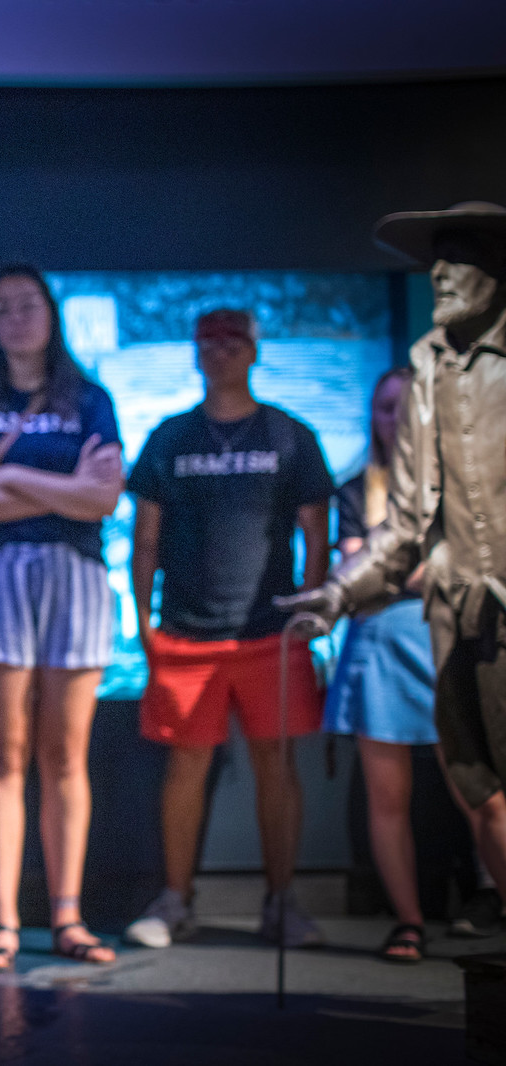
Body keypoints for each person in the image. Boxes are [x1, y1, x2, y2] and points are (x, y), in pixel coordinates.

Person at [279, 200, 506, 942]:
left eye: (459, 257)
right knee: (489, 800)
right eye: (433, 261)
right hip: (460, 625)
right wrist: (338, 595)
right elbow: (405, 524)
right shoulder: (427, 369)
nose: (439, 273)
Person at [123, 307, 334, 951]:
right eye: (207, 343)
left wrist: (311, 610)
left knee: (276, 761)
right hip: (186, 633)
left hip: (270, 632)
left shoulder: (289, 435)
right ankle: (175, 900)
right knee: (186, 764)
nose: (218, 353)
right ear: (195, 353)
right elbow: (146, 537)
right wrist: (142, 624)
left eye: (232, 342)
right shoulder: (170, 438)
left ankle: (281, 902)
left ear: (253, 351)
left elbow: (316, 530)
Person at [0, 265, 124, 970]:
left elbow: (103, 500)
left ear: (51, 312)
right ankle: (5, 923)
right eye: (2, 307)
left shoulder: (91, 398)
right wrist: (62, 487)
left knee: (66, 753)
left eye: (28, 304)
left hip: (77, 574)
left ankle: (70, 917)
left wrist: (9, 476)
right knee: (3, 753)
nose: (15, 317)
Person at [320, 367, 491, 963]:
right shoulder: (351, 490)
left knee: (479, 793)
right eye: (385, 407)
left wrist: (387, 566)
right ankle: (408, 921)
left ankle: (489, 899)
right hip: (381, 653)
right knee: (386, 796)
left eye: (409, 405)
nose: (397, 418)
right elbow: (357, 579)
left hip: (453, 649)